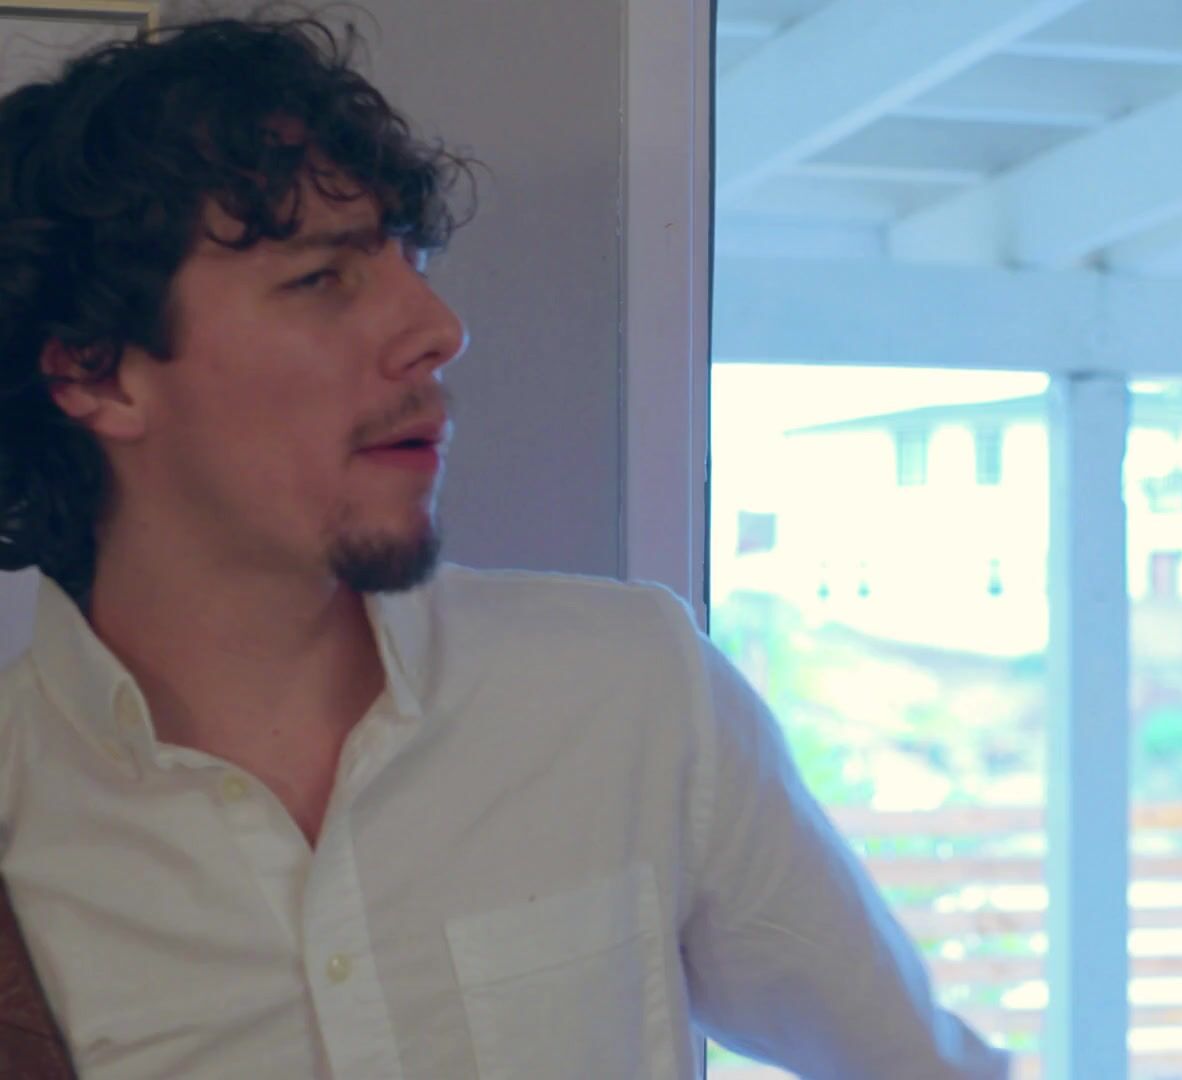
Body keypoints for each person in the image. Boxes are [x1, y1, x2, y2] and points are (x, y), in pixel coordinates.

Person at [0, 10, 1009, 1079]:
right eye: (321, 279)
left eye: (412, 260)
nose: (438, 328)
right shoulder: (26, 820)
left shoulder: (628, 692)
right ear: (94, 373)